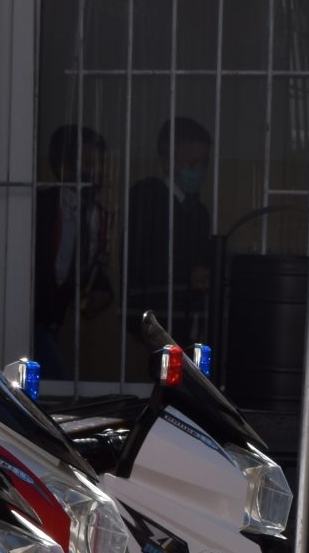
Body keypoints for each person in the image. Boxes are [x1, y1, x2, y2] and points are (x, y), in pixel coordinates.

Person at [33, 123, 111, 379]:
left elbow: (95, 264)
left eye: (100, 165)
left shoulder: (97, 215)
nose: (97, 173)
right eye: (88, 165)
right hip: (32, 313)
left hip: (59, 317)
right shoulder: (39, 206)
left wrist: (102, 290)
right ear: (64, 167)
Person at [126, 117, 214, 336]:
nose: (198, 171)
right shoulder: (146, 198)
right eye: (191, 164)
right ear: (166, 162)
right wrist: (189, 273)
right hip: (154, 312)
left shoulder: (199, 211)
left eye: (204, 164)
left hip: (186, 314)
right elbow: (140, 257)